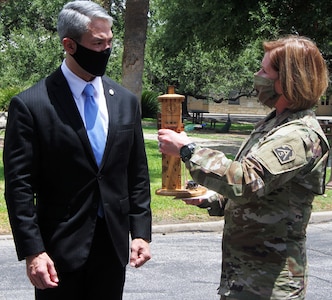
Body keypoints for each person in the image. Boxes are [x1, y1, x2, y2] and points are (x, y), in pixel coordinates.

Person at [158, 35, 330, 299]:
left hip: (270, 285)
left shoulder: (298, 135)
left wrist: (188, 150)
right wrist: (213, 199)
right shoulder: (275, 124)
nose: (257, 75)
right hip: (244, 277)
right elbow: (264, 191)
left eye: (264, 70)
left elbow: (247, 180)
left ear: (287, 79)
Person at [3, 1, 152, 299]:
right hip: (58, 254)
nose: (106, 50)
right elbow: (19, 188)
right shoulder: (32, 105)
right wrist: (34, 251)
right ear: (69, 45)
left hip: (111, 248)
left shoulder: (124, 101)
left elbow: (136, 171)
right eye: (97, 43)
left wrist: (141, 232)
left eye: (110, 41)